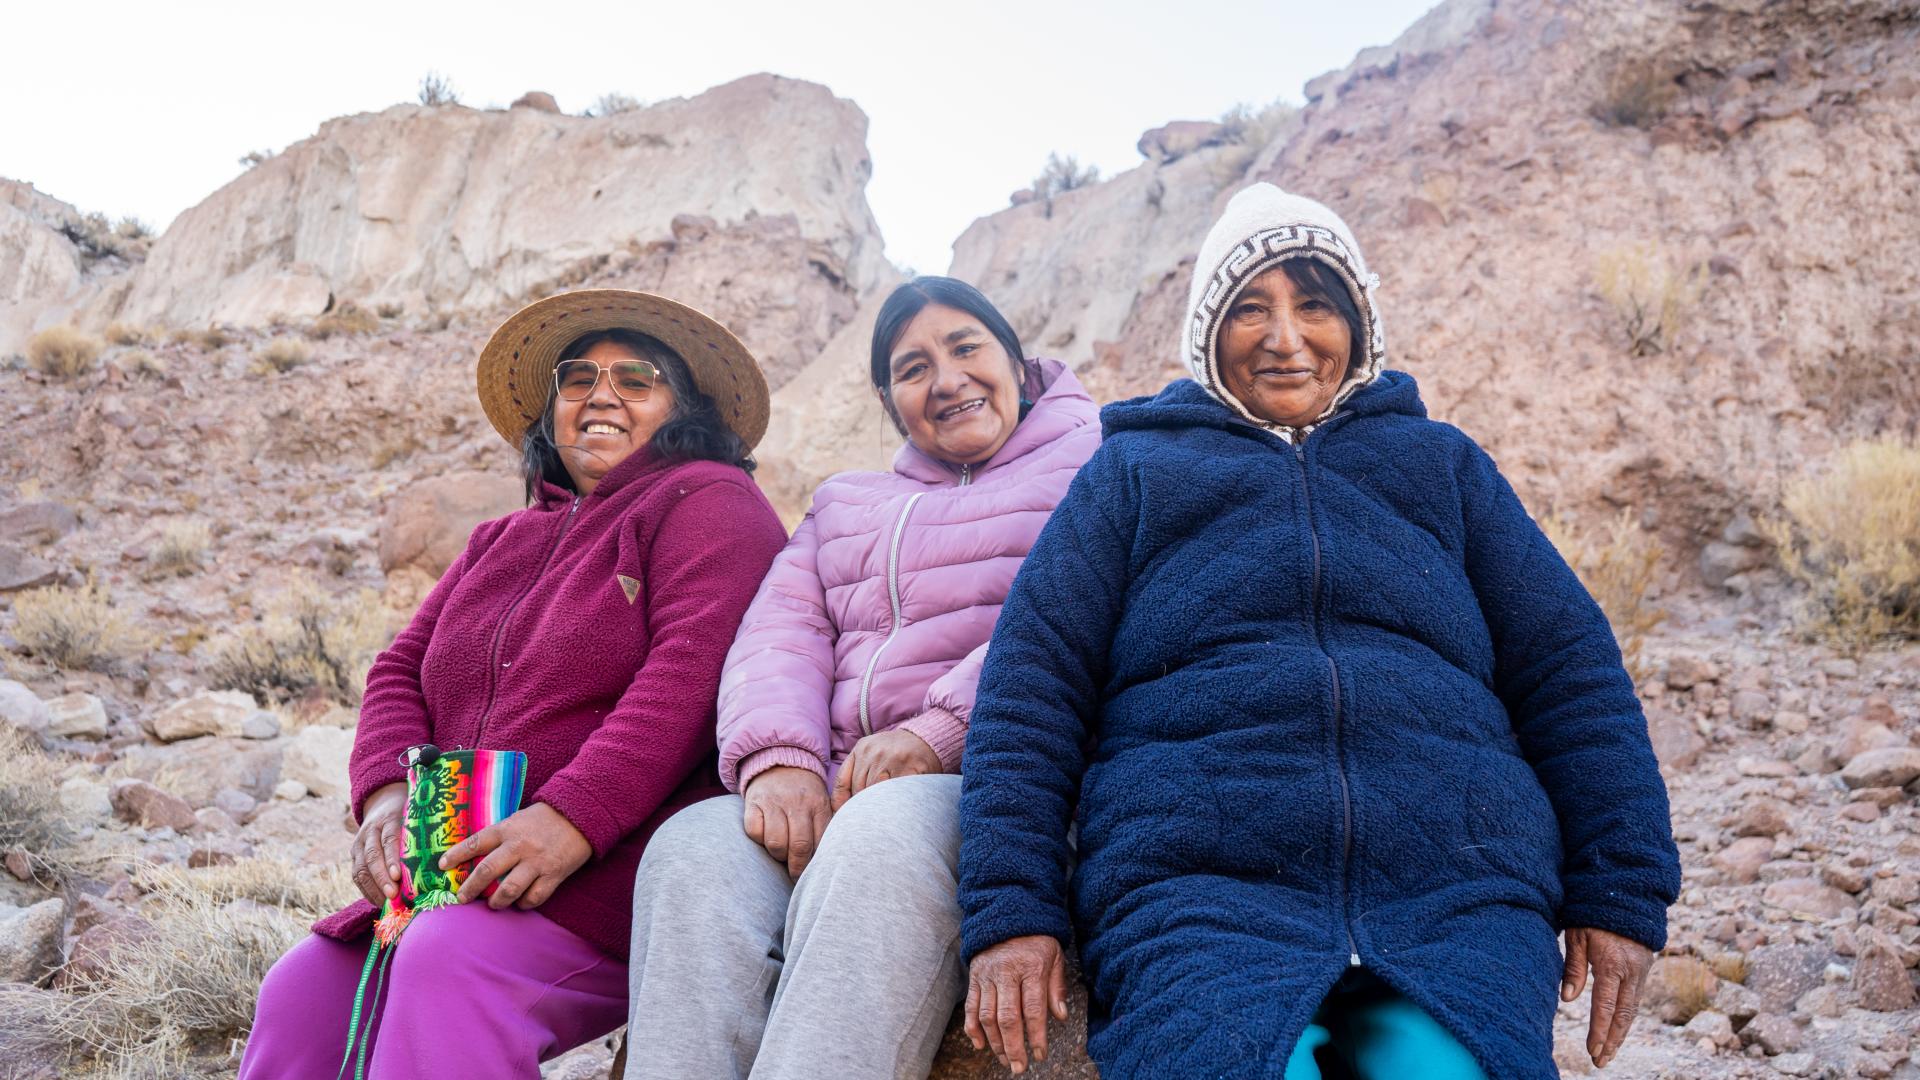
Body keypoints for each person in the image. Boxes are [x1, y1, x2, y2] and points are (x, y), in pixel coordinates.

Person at [955, 185, 1682, 1079]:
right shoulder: (1133, 475)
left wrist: (1620, 888)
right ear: (1206, 332)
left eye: (1316, 304)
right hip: (1194, 895)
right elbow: (1031, 693)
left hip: (1461, 884)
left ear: (1359, 324)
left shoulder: (1442, 467)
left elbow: (1571, 674)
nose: (1287, 336)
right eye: (1250, 307)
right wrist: (1013, 914)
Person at [239, 290, 787, 1078]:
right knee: (304, 990)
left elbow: (692, 674)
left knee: (449, 963)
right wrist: (389, 797)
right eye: (577, 379)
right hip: (465, 865)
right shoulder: (500, 537)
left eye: (636, 379)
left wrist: (570, 820)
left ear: (685, 411)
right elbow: (399, 668)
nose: (601, 395)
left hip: (612, 873)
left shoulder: (708, 501)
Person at [622, 276, 1101, 1080]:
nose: (945, 380)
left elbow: (1083, 611)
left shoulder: (1100, 462)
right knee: (693, 852)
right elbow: (782, 632)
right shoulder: (848, 503)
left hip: (1001, 779)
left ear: (1018, 366)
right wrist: (781, 760)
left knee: (880, 838)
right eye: (912, 369)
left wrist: (938, 730)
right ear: (891, 402)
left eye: (965, 348)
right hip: (842, 781)